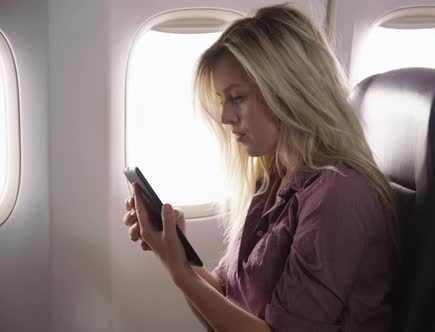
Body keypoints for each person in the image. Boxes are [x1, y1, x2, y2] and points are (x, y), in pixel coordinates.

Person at [123, 4, 399, 331]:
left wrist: (180, 274)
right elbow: (228, 300)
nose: (225, 116)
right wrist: (174, 250)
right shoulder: (274, 179)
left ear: (287, 92)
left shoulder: (338, 197)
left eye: (236, 98)